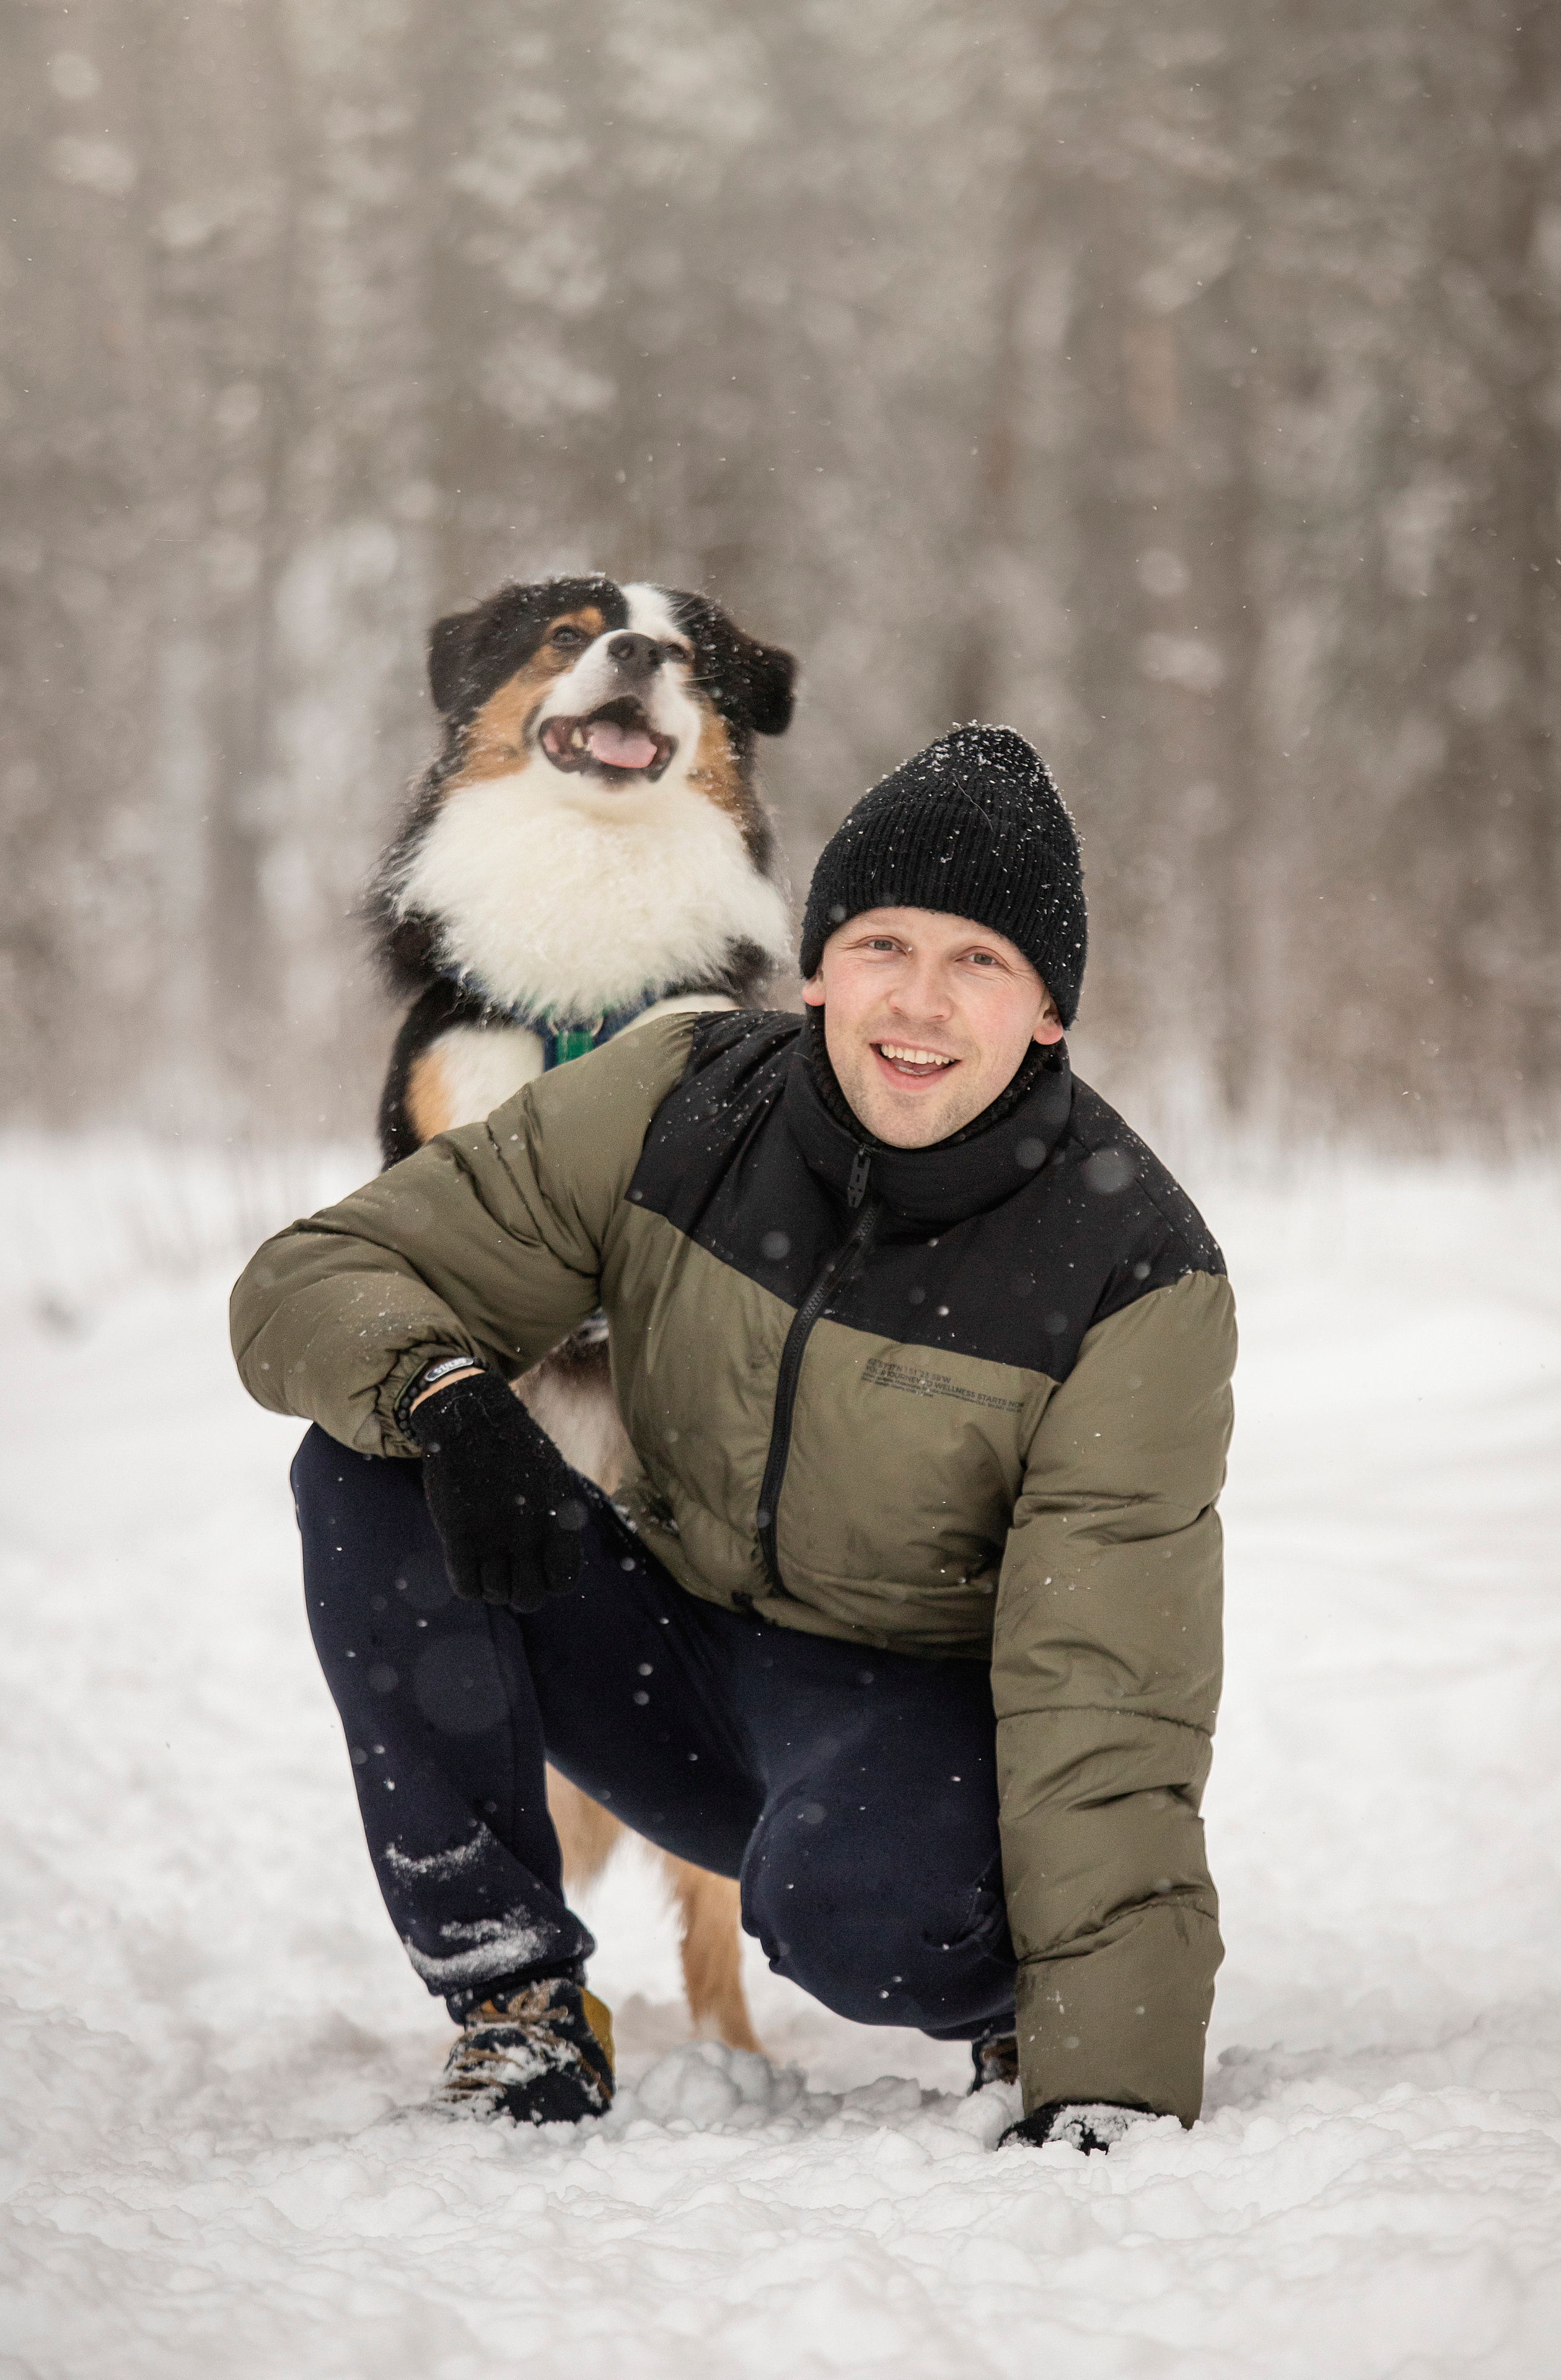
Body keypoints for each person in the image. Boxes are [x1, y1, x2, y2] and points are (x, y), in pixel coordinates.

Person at [231, 725, 1235, 2151]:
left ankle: (1002, 1990)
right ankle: (514, 2012)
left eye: (981, 963)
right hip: (673, 1665)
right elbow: (314, 1276)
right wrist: (447, 1398)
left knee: (861, 1915)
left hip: (903, 1735)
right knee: (372, 1450)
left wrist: (1108, 2083)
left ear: (1048, 1013)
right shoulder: (679, 1097)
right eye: (883, 944)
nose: (920, 1002)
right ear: (816, 964)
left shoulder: (1128, 1265)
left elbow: (1110, 1689)